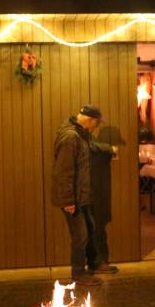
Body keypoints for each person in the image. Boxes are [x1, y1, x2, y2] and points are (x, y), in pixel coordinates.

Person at [52, 105, 103, 286]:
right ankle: (78, 273)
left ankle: (94, 264)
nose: (94, 128)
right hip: (72, 198)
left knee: (89, 227)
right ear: (89, 120)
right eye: (95, 124)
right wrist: (68, 201)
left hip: (81, 196)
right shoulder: (70, 137)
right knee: (80, 235)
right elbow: (63, 173)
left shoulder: (80, 134)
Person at [88, 135, 119, 274]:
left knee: (95, 227)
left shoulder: (86, 136)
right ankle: (95, 264)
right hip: (88, 191)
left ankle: (97, 263)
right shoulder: (79, 136)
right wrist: (110, 148)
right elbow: (92, 145)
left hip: (92, 191)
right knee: (93, 229)